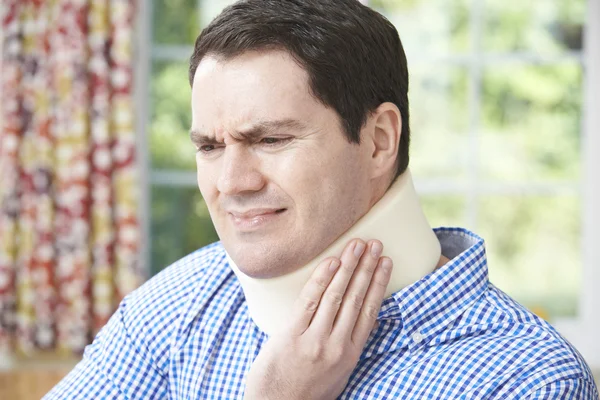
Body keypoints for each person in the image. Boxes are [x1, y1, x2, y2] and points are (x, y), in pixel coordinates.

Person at [45, 0, 598, 399]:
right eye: (210, 146)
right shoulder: (176, 307)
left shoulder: (525, 378)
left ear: (379, 139)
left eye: (271, 139)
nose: (231, 182)